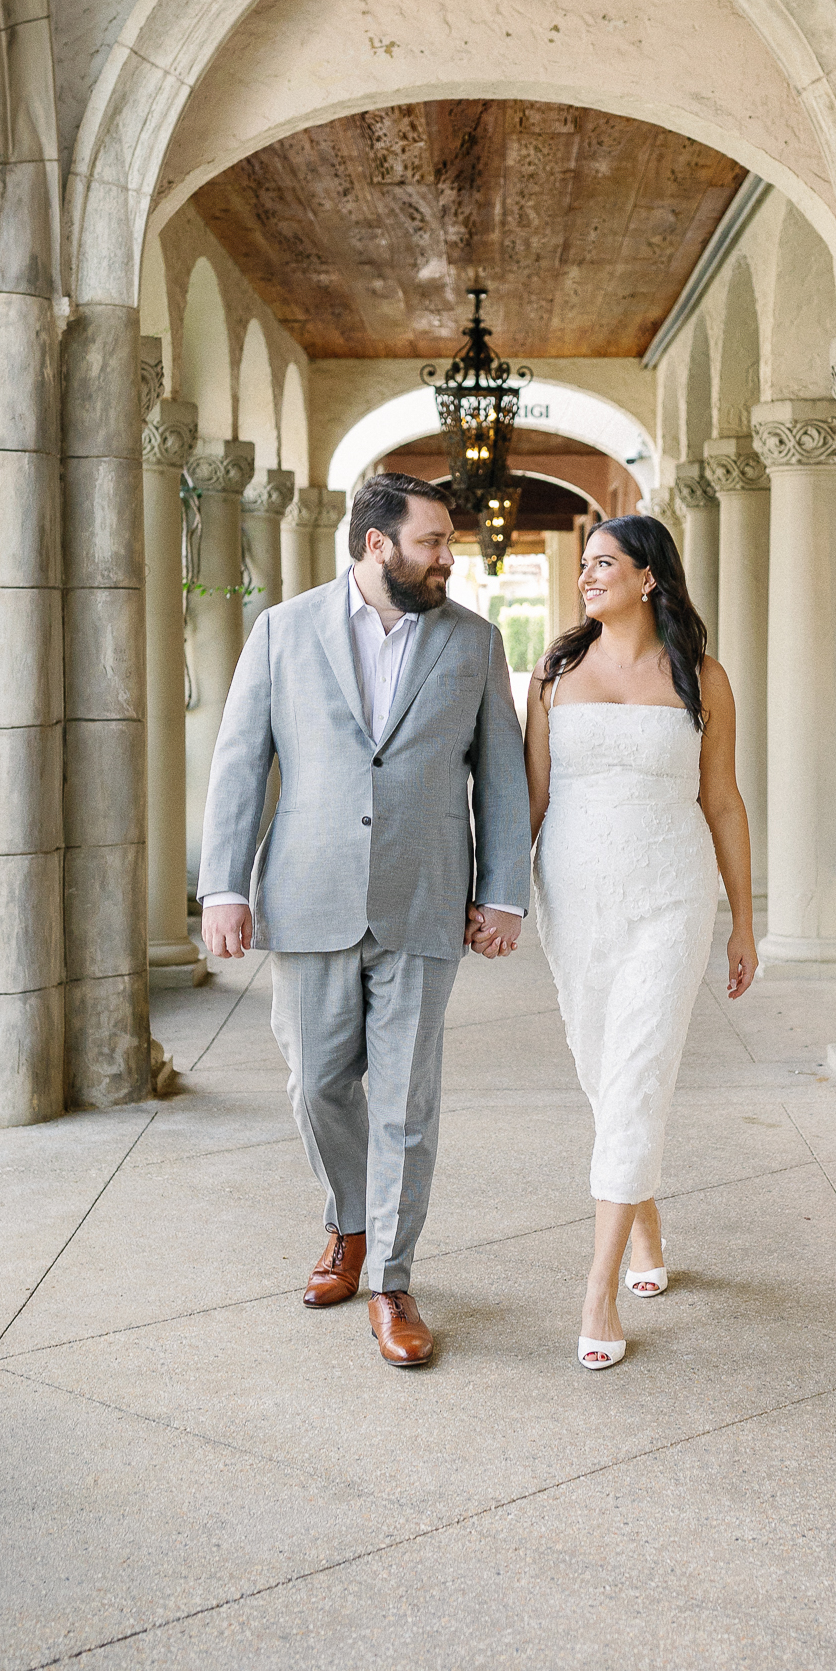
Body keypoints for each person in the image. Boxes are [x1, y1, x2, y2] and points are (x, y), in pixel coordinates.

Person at [198, 472, 530, 1369]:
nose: (447, 558)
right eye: (432, 542)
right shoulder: (282, 630)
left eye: (448, 542)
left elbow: (501, 774)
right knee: (315, 1084)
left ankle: (389, 1276)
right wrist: (222, 886)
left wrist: (505, 892)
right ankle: (348, 1221)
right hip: (308, 895)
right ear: (376, 545)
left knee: (407, 1103)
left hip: (425, 898)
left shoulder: (474, 641)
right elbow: (240, 764)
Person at [521, 514, 757, 1370]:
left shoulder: (702, 676)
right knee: (604, 1068)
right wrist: (501, 900)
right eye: (582, 564)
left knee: (637, 1070)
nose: (586, 577)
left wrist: (744, 918)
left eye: (603, 564)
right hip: (574, 896)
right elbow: (532, 798)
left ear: (648, 575)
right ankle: (647, 1224)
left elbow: (723, 801)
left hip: (670, 893)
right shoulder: (555, 670)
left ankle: (597, 1288)